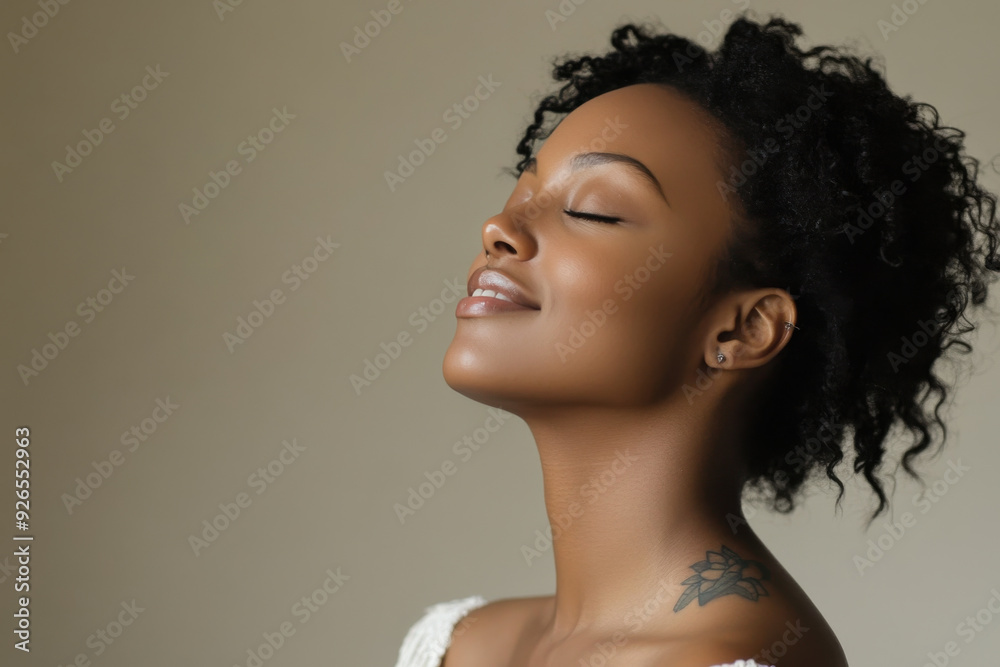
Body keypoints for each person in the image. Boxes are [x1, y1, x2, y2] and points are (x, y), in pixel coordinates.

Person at [395, 13, 1000, 667]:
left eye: (593, 208)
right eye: (523, 192)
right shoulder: (453, 642)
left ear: (744, 329)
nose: (498, 226)